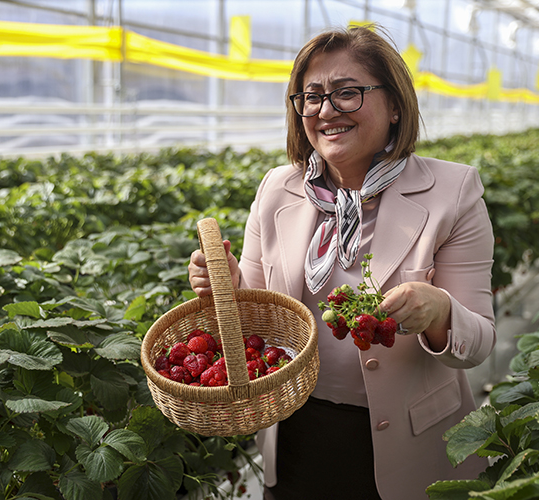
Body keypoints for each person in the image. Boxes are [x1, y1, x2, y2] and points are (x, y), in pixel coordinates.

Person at [188, 24, 495, 500]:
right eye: (311, 97)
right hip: (295, 431)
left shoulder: (451, 192)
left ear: (395, 105)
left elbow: (479, 344)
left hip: (413, 444)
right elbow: (252, 318)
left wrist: (439, 312)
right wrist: (228, 286)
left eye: (347, 93)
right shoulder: (277, 190)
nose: (326, 110)